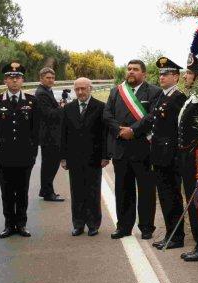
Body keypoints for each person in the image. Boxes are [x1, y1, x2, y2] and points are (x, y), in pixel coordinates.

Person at [103, 60, 163, 239]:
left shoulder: (154, 92)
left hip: (143, 150)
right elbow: (107, 115)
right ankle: (123, 227)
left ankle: (146, 227)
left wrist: (133, 130)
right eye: (129, 69)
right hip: (121, 149)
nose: (131, 72)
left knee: (146, 191)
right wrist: (120, 131)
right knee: (123, 190)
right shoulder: (116, 92)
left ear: (143, 74)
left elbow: (153, 116)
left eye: (135, 70)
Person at [0, 61, 40, 239]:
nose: (14, 81)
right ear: (5, 80)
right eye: (11, 78)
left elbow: (36, 130)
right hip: (4, 157)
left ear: (22, 81)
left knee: (22, 192)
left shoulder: (32, 101)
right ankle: (8, 225)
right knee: (7, 192)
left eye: (18, 77)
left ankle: (22, 224)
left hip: (25, 156)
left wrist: (33, 153)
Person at [60, 77, 110, 236]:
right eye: (77, 89)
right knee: (77, 191)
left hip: (94, 158)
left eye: (83, 88)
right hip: (74, 158)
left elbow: (105, 134)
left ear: (90, 88)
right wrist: (63, 157)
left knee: (93, 191)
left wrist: (105, 156)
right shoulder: (68, 108)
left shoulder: (101, 107)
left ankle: (93, 224)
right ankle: (78, 224)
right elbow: (63, 134)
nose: (80, 92)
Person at [178, 33, 198, 262]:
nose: (186, 76)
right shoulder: (191, 99)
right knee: (192, 200)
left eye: (189, 73)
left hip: (197, 156)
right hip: (186, 157)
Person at [149, 56, 188, 250]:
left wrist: (174, 155)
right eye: (160, 74)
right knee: (164, 197)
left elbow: (178, 130)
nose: (162, 77)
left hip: (171, 158)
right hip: (159, 156)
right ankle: (170, 233)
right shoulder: (162, 97)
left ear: (176, 76)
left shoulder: (179, 98)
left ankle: (176, 236)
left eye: (166, 74)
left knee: (172, 197)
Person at [35, 66, 65, 202]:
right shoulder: (41, 93)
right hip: (49, 136)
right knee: (50, 165)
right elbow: (48, 114)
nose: (51, 80)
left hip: (51, 135)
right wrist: (62, 108)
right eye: (48, 78)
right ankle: (47, 193)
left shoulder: (47, 91)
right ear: (41, 79)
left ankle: (46, 191)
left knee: (50, 164)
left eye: (53, 78)